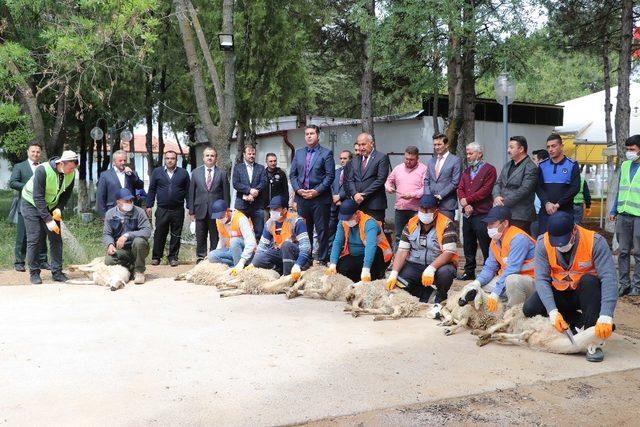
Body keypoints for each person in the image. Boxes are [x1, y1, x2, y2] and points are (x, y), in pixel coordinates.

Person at [523, 211, 618, 362]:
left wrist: (606, 314)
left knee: (589, 281)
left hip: (585, 294)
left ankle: (593, 340)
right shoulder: (543, 243)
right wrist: (552, 311)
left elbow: (610, 279)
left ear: (574, 230)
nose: (561, 246)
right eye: (557, 243)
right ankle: (575, 322)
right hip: (560, 291)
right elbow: (541, 279)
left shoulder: (595, 242)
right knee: (529, 309)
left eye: (564, 241)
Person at [386, 194, 458, 303]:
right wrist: (394, 272)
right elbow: (402, 250)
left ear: (436, 210)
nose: (424, 212)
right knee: (400, 283)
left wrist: (431, 268)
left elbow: (449, 252)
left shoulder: (447, 224)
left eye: (428, 210)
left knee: (446, 273)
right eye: (422, 209)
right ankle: (427, 294)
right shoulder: (411, 223)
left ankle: (440, 297)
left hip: (438, 265)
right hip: (415, 264)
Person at [20, 150, 79, 284]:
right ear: (62, 163)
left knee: (56, 238)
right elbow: (38, 197)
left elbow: (65, 195)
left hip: (51, 205)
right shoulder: (43, 170)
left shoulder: (71, 173)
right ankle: (34, 272)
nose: (72, 171)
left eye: (74, 168)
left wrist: (59, 208)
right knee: (35, 238)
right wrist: (48, 219)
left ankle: (57, 272)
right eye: (70, 168)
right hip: (31, 203)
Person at [467, 206, 536, 311]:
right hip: (509, 279)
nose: (489, 228)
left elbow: (513, 269)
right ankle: (501, 304)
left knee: (511, 281)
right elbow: (490, 267)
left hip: (531, 282)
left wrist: (495, 293)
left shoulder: (519, 238)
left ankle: (513, 313)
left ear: (505, 223)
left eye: (493, 223)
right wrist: (476, 283)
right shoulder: (495, 240)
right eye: (488, 224)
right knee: (477, 289)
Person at [289, 125, 335, 263]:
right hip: (303, 197)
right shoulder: (299, 153)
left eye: (312, 133)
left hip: (320, 198)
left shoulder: (326, 153)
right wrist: (298, 190)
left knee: (322, 230)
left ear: (318, 136)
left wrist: (316, 191)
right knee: (304, 230)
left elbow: (330, 176)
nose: (309, 136)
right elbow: (292, 175)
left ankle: (322, 259)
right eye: (307, 134)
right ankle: (306, 258)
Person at [457, 142, 496, 280]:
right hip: (468, 213)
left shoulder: (489, 169)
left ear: (479, 153)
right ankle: (469, 271)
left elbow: (485, 191)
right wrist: (464, 202)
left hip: (482, 212)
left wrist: (468, 200)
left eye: (471, 153)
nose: (468, 156)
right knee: (468, 243)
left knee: (485, 243)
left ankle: (489, 271)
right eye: (467, 153)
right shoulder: (466, 171)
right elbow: (460, 188)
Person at [327, 199, 392, 283]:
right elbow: (337, 242)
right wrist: (333, 264)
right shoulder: (343, 222)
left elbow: (371, 246)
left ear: (357, 213)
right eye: (345, 218)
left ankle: (377, 275)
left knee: (362, 268)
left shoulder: (369, 223)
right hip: (354, 255)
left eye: (349, 218)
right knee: (340, 269)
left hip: (376, 256)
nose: (347, 221)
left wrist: (366, 269)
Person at [146, 151, 191, 267]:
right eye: (167, 158)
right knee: (159, 234)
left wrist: (190, 207)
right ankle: (156, 257)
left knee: (176, 234)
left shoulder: (183, 173)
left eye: (172, 158)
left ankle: (173, 257)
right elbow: (152, 189)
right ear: (164, 160)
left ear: (177, 160)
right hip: (162, 209)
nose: (170, 160)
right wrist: (149, 205)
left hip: (178, 210)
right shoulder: (157, 172)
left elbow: (188, 192)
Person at [9, 142, 48, 272]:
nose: (35, 154)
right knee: (23, 235)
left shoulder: (44, 167)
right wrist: (27, 187)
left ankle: (42, 260)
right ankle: (19, 262)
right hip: (24, 205)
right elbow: (13, 182)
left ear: (40, 153)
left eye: (37, 152)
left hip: (42, 206)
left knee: (42, 234)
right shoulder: (20, 166)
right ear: (28, 152)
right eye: (33, 151)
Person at [250, 196, 311, 279]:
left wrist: (298, 265)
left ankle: (287, 276)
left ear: (285, 210)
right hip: (280, 255)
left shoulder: (297, 221)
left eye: (276, 209)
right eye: (271, 209)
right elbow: (262, 247)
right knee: (258, 260)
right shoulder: (269, 223)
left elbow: (306, 247)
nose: (272, 212)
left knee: (286, 245)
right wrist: (252, 264)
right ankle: (280, 270)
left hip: (297, 256)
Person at [609, 134, 640, 296]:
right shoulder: (625, 166)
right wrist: (614, 210)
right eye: (627, 149)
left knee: (639, 253)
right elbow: (620, 191)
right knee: (623, 252)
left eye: (632, 149)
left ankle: (637, 286)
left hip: (638, 217)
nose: (629, 152)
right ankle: (624, 284)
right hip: (623, 215)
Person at [188, 147, 230, 262]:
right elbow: (191, 193)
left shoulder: (222, 174)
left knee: (215, 236)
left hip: (216, 212)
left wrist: (226, 211)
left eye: (212, 155)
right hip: (199, 209)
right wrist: (191, 211)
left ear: (216, 158)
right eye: (207, 155)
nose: (210, 158)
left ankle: (213, 257)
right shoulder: (196, 173)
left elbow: (226, 194)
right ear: (203, 158)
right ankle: (201, 257)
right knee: (200, 235)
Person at [103, 188, 152, 284]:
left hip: (137, 248)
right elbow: (107, 234)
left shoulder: (139, 212)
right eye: (126, 201)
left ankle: (139, 271)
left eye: (131, 200)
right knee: (108, 261)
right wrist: (110, 244)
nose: (130, 203)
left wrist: (127, 235)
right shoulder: (110, 214)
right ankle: (130, 267)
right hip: (122, 250)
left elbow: (147, 231)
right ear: (118, 202)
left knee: (139, 241)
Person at [535, 134, 581, 234]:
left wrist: (558, 204)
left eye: (553, 146)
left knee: (565, 242)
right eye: (548, 147)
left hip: (565, 211)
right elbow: (538, 187)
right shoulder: (542, 165)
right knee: (544, 242)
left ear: (561, 146)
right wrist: (547, 203)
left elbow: (575, 188)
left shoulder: (572, 165)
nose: (550, 149)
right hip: (545, 212)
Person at [493, 136, 538, 234]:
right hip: (504, 211)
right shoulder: (507, 165)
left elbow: (524, 190)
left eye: (511, 147)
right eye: (508, 147)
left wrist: (504, 202)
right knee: (505, 243)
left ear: (521, 149)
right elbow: (498, 183)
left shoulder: (530, 167)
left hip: (520, 215)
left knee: (518, 243)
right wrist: (496, 196)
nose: (508, 150)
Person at [385, 145, 427, 250]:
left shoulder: (424, 169)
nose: (408, 162)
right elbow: (389, 181)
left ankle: (415, 260)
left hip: (416, 209)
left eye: (411, 160)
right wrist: (388, 187)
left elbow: (425, 188)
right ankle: (397, 262)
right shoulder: (398, 168)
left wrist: (412, 195)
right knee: (399, 236)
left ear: (417, 158)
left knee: (416, 236)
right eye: (406, 159)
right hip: (400, 208)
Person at [345, 132, 390, 222]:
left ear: (371, 143)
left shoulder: (381, 157)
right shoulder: (354, 160)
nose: (361, 147)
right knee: (359, 234)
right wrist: (355, 194)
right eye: (359, 145)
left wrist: (364, 195)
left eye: (364, 144)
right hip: (357, 204)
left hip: (374, 204)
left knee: (374, 233)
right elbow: (350, 179)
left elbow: (380, 180)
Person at [207, 200, 257, 273]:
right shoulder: (219, 221)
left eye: (221, 216)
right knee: (212, 255)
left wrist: (242, 261)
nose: (220, 218)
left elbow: (251, 242)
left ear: (227, 211)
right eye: (217, 217)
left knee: (234, 240)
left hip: (247, 252)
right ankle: (235, 265)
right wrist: (217, 251)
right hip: (231, 251)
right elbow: (222, 240)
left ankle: (238, 266)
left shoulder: (240, 218)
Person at [233, 144, 267, 241]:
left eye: (253, 154)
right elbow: (235, 184)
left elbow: (264, 182)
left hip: (257, 205)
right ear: (244, 154)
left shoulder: (260, 168)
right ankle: (242, 252)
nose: (251, 156)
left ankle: (258, 253)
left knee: (259, 232)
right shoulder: (238, 168)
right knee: (240, 231)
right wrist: (249, 190)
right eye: (249, 154)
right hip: (242, 205)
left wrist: (255, 192)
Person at [424, 133, 461, 220]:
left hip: (447, 205)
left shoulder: (455, 160)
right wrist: (428, 196)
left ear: (447, 145)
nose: (437, 147)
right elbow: (426, 180)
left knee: (446, 231)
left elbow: (455, 182)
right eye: (435, 145)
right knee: (432, 232)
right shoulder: (431, 161)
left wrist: (441, 195)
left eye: (439, 144)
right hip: (431, 205)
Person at [96, 149, 144, 217]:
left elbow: (140, 186)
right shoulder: (105, 175)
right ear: (114, 162)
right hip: (112, 211)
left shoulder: (131, 173)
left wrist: (132, 175)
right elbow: (101, 196)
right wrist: (104, 215)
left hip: (130, 210)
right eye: (120, 160)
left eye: (124, 160)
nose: (123, 162)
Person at [329, 150, 353, 252]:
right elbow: (331, 186)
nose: (342, 160)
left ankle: (344, 252)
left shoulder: (353, 172)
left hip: (346, 205)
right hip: (334, 206)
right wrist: (334, 197)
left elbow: (351, 187)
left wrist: (340, 196)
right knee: (331, 230)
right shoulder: (337, 172)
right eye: (341, 158)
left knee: (344, 230)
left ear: (350, 159)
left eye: (345, 158)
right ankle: (330, 254)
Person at [530, 149, 549, 237]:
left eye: (534, 159)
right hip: (533, 214)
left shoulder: (547, 177)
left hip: (542, 214)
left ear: (541, 161)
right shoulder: (532, 174)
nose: (532, 162)